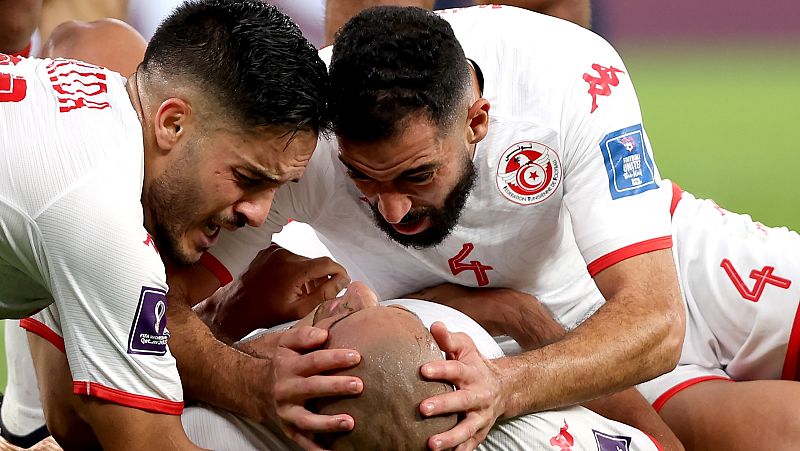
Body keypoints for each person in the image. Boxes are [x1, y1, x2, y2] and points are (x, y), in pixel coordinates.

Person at [192, 5, 800, 450]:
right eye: (364, 181)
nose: (393, 212)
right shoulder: (301, 146)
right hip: (568, 353)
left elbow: (655, 317)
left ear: (478, 121)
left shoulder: (566, 70)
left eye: (416, 176)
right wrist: (250, 379)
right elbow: (145, 306)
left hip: (667, 258)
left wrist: (505, 387)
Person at [0, 0, 331, 448]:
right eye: (247, 178)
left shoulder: (95, 110)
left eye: (278, 186)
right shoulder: (101, 217)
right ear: (172, 123)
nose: (256, 213)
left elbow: (69, 416)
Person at [180, 283, 667, 451]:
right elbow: (668, 444)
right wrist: (523, 317)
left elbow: (134, 352)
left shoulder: (206, 431)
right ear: (454, 365)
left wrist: (248, 345)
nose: (361, 291)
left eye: (343, 315)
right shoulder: (541, 436)